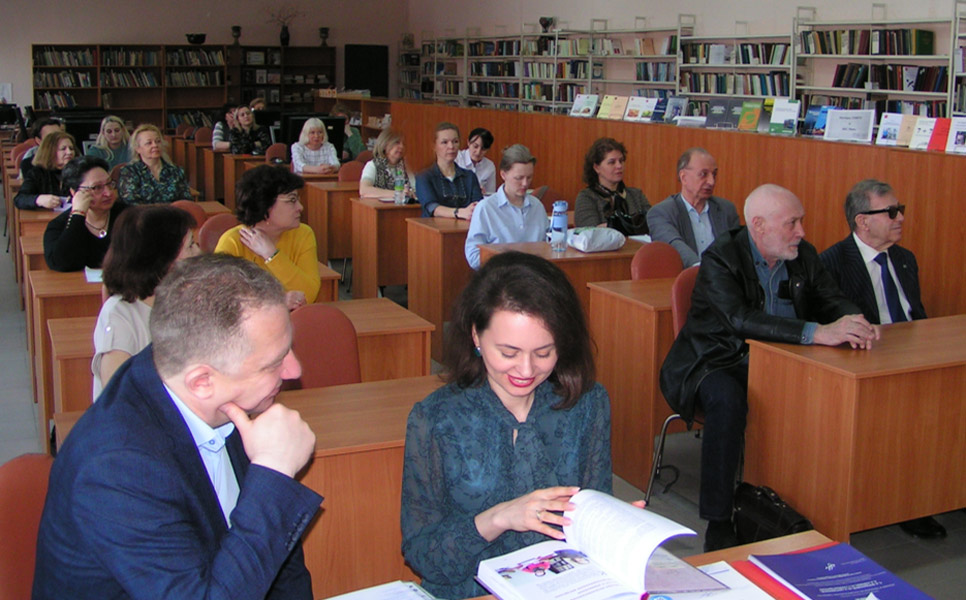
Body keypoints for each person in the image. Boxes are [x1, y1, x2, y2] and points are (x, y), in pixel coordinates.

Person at [33, 253, 323, 599]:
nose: (294, 370)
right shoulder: (116, 470)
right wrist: (274, 474)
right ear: (202, 382)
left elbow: (280, 570)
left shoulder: (212, 387)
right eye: (274, 362)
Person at [659, 184, 878, 552]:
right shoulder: (721, 257)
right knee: (727, 401)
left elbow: (831, 298)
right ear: (758, 226)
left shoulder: (803, 254)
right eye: (792, 223)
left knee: (835, 392)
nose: (801, 232)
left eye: (801, 221)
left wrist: (854, 320)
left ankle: (821, 504)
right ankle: (719, 519)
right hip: (717, 360)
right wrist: (817, 332)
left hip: (786, 362)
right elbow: (739, 319)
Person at [401, 251, 613, 599]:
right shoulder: (436, 419)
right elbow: (424, 556)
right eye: (509, 353)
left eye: (544, 353)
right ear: (476, 336)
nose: (526, 370)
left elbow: (592, 517)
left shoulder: (587, 404)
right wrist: (498, 518)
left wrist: (617, 526)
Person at [819, 180, 941, 540]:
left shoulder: (904, 259)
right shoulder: (832, 263)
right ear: (863, 221)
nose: (899, 217)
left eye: (899, 209)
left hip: (911, 354)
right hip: (867, 362)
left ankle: (942, 489)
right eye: (890, 212)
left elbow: (916, 316)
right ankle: (905, 503)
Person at [92, 205, 201, 399]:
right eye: (191, 245)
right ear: (163, 260)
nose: (199, 252)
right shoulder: (119, 316)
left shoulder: (181, 299)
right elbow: (119, 398)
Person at [215, 165, 319, 310]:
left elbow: (309, 294)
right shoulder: (232, 241)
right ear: (265, 205)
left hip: (294, 320)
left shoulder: (303, 234)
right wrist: (277, 301)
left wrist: (271, 255)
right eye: (292, 200)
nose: (300, 207)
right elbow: (221, 299)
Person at [646, 147, 740, 267]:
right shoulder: (661, 213)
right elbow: (674, 245)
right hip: (684, 276)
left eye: (714, 174)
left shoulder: (726, 209)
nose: (711, 181)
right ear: (684, 177)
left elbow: (736, 252)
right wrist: (700, 270)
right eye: (703, 174)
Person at [464, 144, 547, 269]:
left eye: (529, 177)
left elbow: (547, 247)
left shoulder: (537, 207)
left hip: (533, 274)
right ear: (503, 175)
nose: (525, 183)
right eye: (519, 178)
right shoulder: (486, 208)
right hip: (499, 275)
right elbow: (473, 255)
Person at [44, 156, 127, 272]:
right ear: (75, 193)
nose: (108, 193)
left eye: (109, 184)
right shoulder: (59, 225)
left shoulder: (129, 216)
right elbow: (60, 263)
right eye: (97, 187)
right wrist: (78, 214)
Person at [574, 137, 651, 231]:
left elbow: (653, 222)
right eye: (612, 162)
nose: (619, 166)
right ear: (597, 167)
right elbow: (590, 231)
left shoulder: (636, 195)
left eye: (621, 161)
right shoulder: (586, 197)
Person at [416, 122, 483, 219]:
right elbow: (432, 208)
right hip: (434, 227)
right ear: (434, 146)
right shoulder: (424, 176)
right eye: (444, 142)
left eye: (455, 141)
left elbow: (478, 205)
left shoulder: (469, 176)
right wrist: (459, 212)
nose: (451, 146)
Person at [118, 123, 191, 204]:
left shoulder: (176, 171)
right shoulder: (129, 172)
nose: (155, 145)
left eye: (158, 141)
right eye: (149, 143)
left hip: (173, 212)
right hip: (143, 212)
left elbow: (186, 201)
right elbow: (131, 202)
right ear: (138, 149)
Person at [14, 130, 76, 210]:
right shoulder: (37, 173)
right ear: (50, 151)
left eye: (71, 148)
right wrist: (39, 200)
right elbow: (19, 199)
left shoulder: (79, 172)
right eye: (63, 149)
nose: (69, 152)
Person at [359, 127, 415, 200]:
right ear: (385, 144)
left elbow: (416, 189)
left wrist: (410, 193)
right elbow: (364, 190)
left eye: (404, 144)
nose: (401, 146)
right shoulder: (372, 165)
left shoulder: (407, 166)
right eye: (397, 142)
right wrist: (397, 194)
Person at [455, 127, 496, 195]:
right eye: (475, 146)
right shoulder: (457, 158)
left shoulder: (489, 166)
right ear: (468, 143)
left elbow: (490, 194)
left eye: (483, 149)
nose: (478, 152)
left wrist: (483, 193)